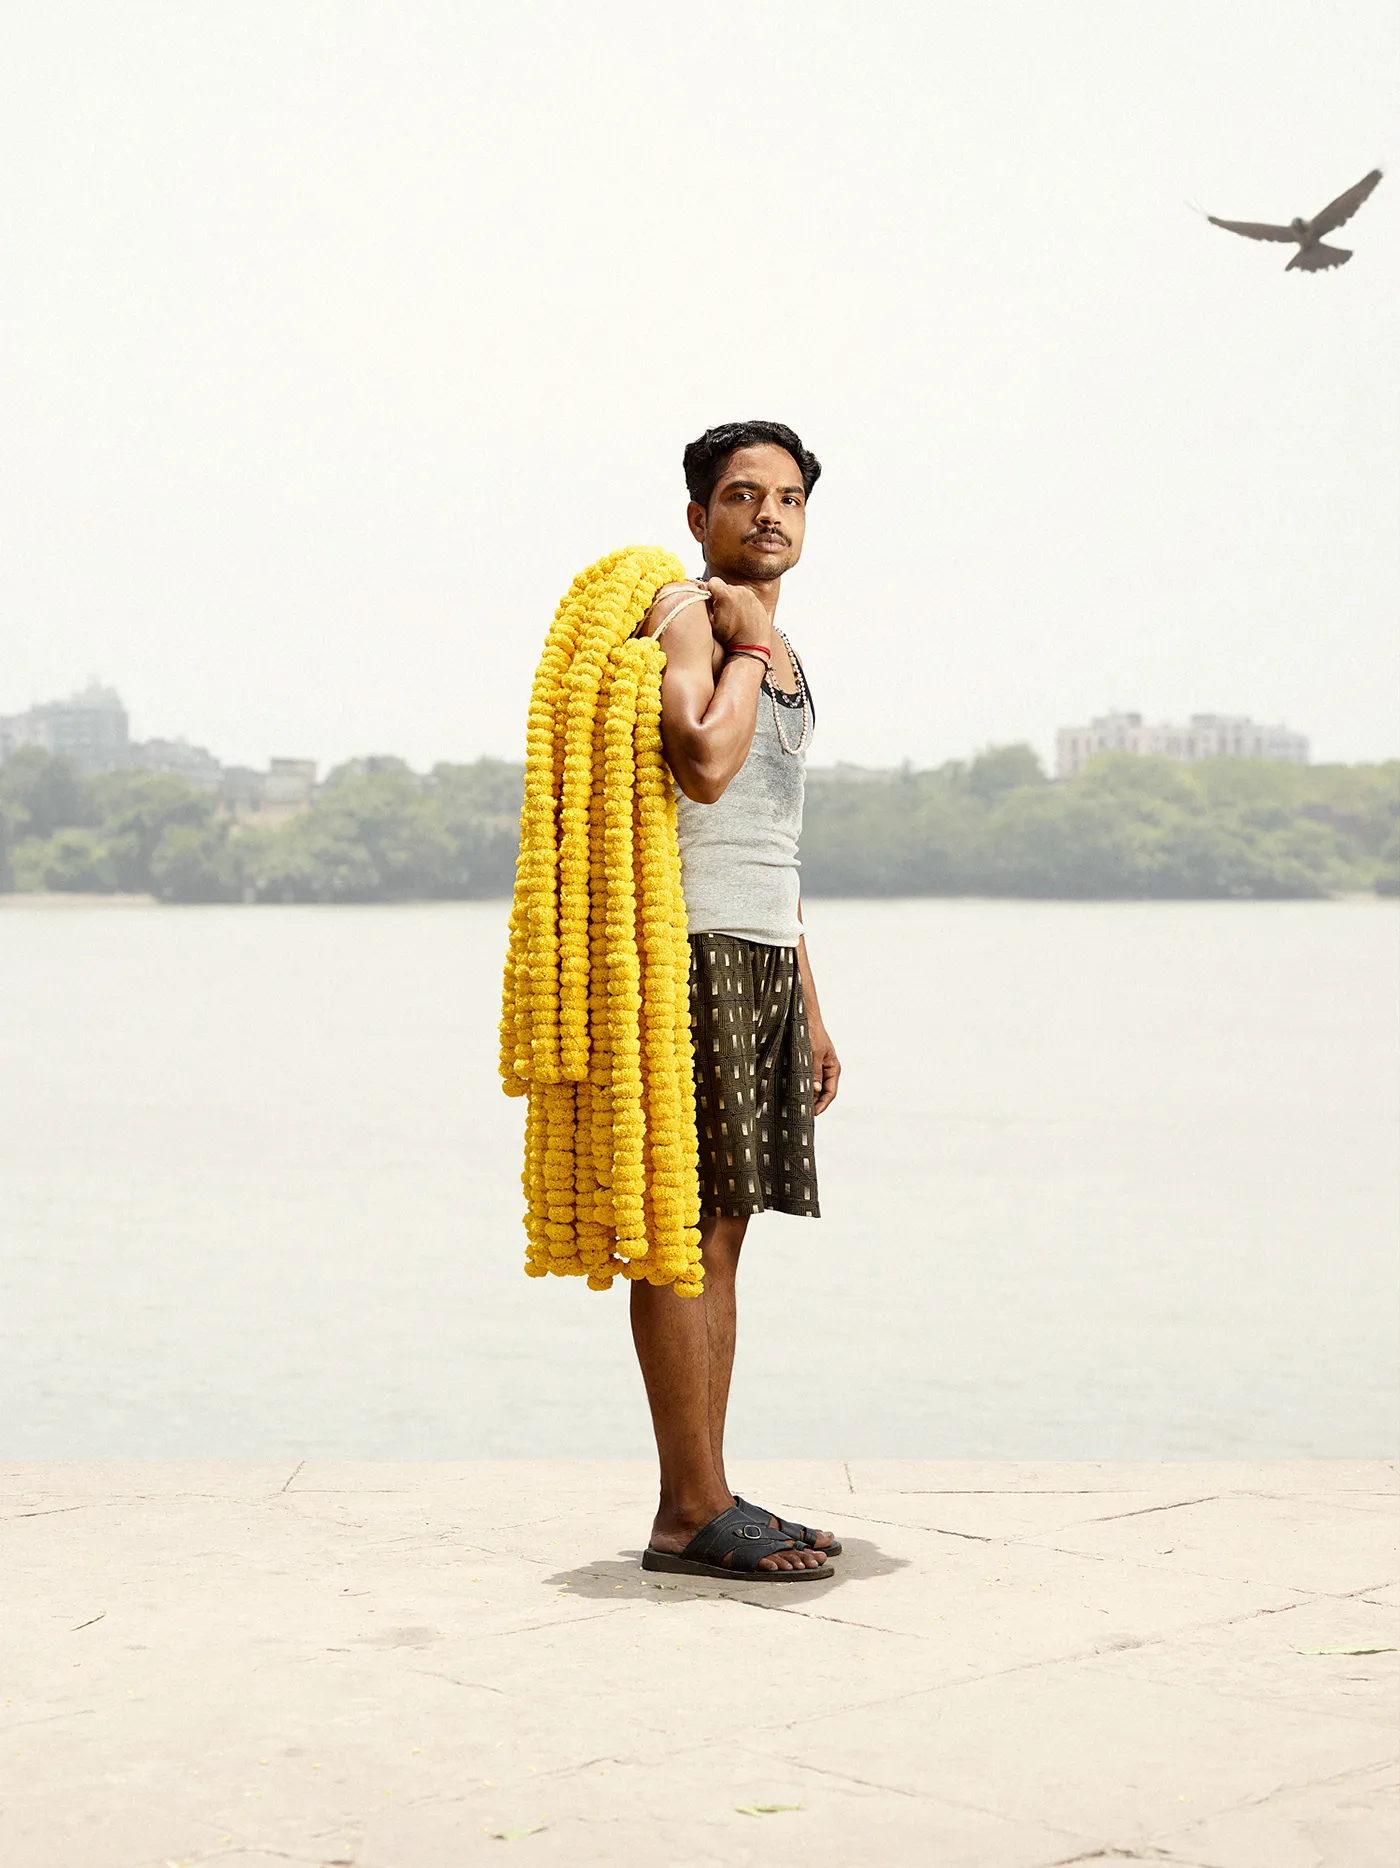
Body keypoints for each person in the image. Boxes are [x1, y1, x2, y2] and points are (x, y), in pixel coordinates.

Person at [631, 420, 842, 1581]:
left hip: (758, 949)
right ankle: (686, 1509)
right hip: (692, 949)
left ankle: (708, 1490)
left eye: (788, 496)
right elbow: (702, 764)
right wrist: (747, 644)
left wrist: (807, 997)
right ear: (698, 514)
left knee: (724, 1233)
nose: (768, 512)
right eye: (741, 493)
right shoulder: (688, 615)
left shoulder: (775, 640)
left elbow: (774, 838)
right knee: (681, 1232)